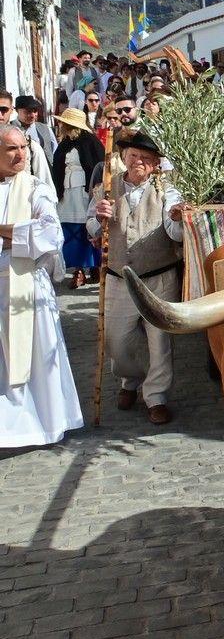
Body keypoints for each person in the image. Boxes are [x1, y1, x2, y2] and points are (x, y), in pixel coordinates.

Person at [86, 130, 184, 426]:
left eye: (146, 158)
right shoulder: (105, 188)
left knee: (159, 341)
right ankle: (129, 380)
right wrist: (98, 218)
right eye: (133, 156)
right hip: (118, 276)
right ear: (123, 158)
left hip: (159, 276)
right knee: (117, 340)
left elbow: (174, 233)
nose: (138, 161)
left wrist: (178, 219)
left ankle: (156, 397)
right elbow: (90, 227)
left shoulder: (168, 190)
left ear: (155, 164)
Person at [0, 126, 83, 448]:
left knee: (32, 358)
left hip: (27, 288)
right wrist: (19, 232)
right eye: (11, 148)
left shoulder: (35, 189)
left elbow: (49, 235)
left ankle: (43, 424)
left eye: (23, 147)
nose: (20, 154)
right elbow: (30, 232)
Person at [50, 108, 104, 287]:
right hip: (67, 191)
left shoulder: (90, 142)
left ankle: (94, 266)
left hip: (84, 192)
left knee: (87, 228)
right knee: (70, 230)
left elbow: (98, 167)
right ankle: (78, 269)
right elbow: (57, 166)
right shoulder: (65, 143)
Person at [0, 90, 52, 187]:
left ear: (11, 110)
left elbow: (44, 184)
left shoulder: (30, 146)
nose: (0, 114)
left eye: (3, 109)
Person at [14, 95, 57, 160]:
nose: (33, 115)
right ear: (17, 110)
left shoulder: (45, 129)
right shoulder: (9, 128)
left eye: (35, 111)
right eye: (28, 111)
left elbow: (55, 151)